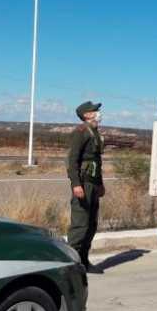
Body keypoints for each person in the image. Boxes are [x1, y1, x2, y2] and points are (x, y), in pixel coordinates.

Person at [67, 101, 106, 273]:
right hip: (83, 184)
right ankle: (70, 266)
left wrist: (101, 184)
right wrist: (76, 184)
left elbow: (97, 161)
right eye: (95, 110)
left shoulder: (94, 132)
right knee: (80, 226)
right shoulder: (80, 132)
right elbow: (72, 161)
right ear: (87, 114)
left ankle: (84, 262)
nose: (98, 112)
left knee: (91, 224)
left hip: (93, 184)